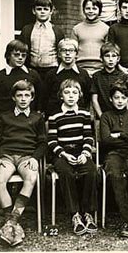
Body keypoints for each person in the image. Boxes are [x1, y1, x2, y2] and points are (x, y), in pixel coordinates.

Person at [0, 80, 46, 246]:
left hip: (27, 157)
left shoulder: (37, 118)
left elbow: (43, 142)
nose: (23, 99)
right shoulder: (4, 117)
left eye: (27, 95)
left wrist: (35, 158)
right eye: (19, 95)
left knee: (31, 177)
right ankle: (12, 222)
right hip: (7, 156)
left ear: (32, 98)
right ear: (13, 97)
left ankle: (10, 223)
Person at [47, 79, 98, 236]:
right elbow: (52, 140)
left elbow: (89, 137)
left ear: (80, 95)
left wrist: (85, 153)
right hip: (62, 153)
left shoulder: (84, 114)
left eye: (75, 93)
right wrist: (63, 154)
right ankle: (74, 214)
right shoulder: (54, 116)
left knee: (91, 171)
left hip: (80, 152)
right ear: (61, 95)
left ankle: (87, 212)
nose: (71, 96)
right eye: (67, 92)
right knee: (66, 172)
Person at [100, 80, 128, 239]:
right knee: (116, 176)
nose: (120, 101)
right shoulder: (106, 116)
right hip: (113, 154)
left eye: (123, 98)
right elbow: (105, 140)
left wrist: (119, 134)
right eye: (117, 97)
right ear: (111, 99)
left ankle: (127, 222)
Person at [0, 40, 42, 129]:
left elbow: (40, 99)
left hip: (28, 122)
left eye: (23, 55)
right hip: (5, 124)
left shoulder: (33, 75)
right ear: (8, 55)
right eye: (16, 55)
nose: (20, 58)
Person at [16, 0, 65, 79]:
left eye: (46, 9)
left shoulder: (57, 30)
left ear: (51, 11)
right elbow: (21, 50)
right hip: (32, 70)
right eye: (39, 9)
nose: (42, 12)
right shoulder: (27, 30)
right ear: (34, 11)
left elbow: (62, 51)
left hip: (52, 70)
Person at [42, 39, 92, 117]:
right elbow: (45, 98)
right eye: (64, 50)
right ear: (58, 54)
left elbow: (87, 98)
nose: (67, 53)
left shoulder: (83, 74)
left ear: (76, 54)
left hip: (78, 117)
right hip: (55, 118)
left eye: (71, 50)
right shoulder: (51, 74)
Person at [71, 0, 109, 76]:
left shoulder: (106, 28)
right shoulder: (76, 29)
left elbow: (108, 51)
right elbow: (72, 51)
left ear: (100, 10)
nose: (91, 11)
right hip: (80, 68)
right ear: (84, 10)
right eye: (88, 8)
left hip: (100, 68)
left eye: (94, 8)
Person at [91, 43, 128, 119]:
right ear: (101, 58)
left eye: (113, 56)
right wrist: (101, 116)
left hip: (120, 117)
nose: (110, 59)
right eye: (107, 56)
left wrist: (123, 116)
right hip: (102, 116)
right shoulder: (97, 76)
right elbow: (94, 99)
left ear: (118, 59)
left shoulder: (123, 76)